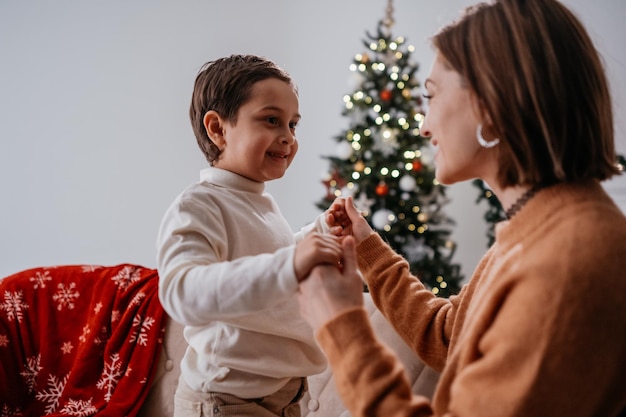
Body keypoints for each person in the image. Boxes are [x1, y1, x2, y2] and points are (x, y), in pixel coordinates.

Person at [298, 1, 626, 416]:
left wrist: (340, 326)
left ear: (490, 103)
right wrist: (367, 249)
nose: (423, 125)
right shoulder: (539, 228)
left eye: (431, 96)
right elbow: (448, 338)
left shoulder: (565, 264)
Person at [156, 54, 346, 417]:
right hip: (225, 402)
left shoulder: (258, 202)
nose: (288, 137)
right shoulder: (199, 205)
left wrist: (317, 233)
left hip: (284, 397)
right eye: (272, 120)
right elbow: (181, 290)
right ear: (218, 129)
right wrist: (293, 262)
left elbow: (264, 262)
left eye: (293, 124)